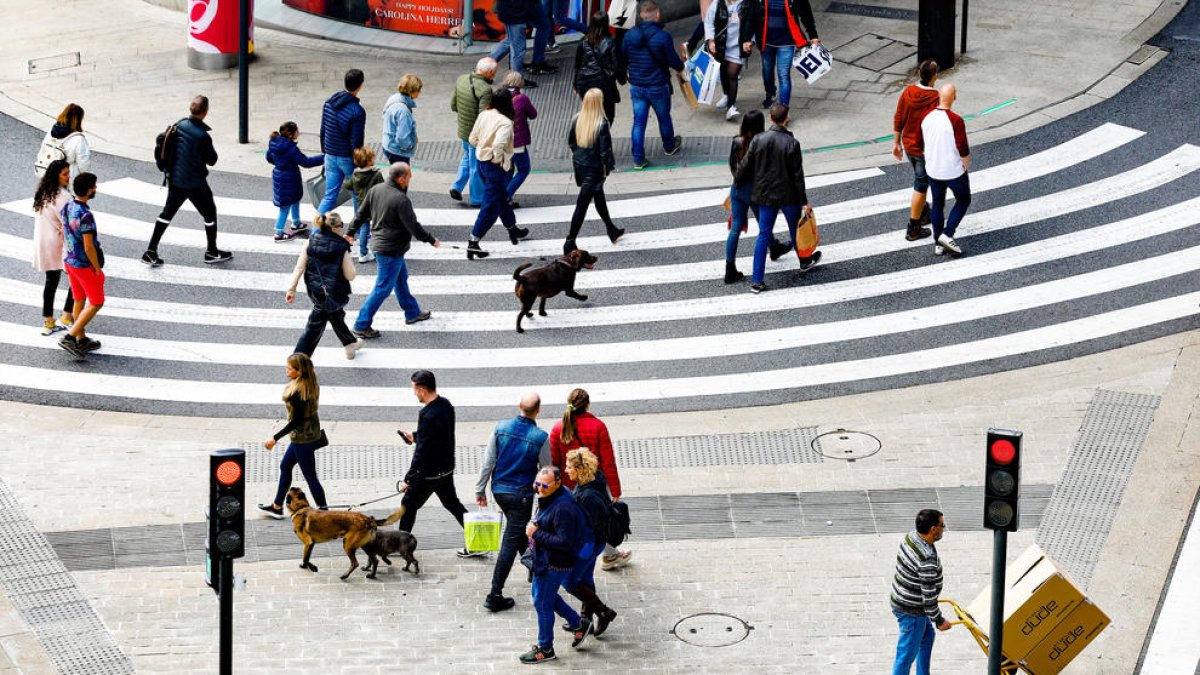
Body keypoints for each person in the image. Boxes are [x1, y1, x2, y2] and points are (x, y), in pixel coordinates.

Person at [344, 163, 440, 339]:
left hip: (383, 245)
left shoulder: (376, 190)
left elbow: (361, 214)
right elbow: (413, 226)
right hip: (391, 249)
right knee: (382, 288)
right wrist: (431, 239)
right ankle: (361, 324)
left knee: (401, 278)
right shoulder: (401, 199)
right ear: (401, 178)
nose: (410, 179)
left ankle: (412, 312)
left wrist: (350, 231)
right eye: (409, 176)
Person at [475, 392, 552, 612]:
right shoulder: (540, 437)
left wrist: (480, 489)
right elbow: (546, 470)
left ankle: (534, 567)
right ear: (538, 410)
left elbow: (488, 461)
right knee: (510, 541)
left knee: (517, 532)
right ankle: (494, 594)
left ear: (519, 406)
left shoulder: (500, 428)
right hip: (521, 496)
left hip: (499, 490)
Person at [735, 103, 822, 294]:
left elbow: (744, 166)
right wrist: (804, 201)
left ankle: (757, 281)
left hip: (764, 194)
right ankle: (805, 261)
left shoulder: (758, 140)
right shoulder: (792, 143)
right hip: (788, 195)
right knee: (795, 229)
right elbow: (798, 176)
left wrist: (737, 184)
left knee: (764, 234)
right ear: (786, 118)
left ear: (770, 118)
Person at [396, 370, 482, 558]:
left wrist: (409, 478)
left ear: (421, 389)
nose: (413, 393)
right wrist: (416, 436)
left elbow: (423, 452)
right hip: (446, 468)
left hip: (429, 473)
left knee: (408, 505)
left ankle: (401, 544)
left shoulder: (427, 414)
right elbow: (438, 436)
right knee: (453, 504)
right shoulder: (446, 405)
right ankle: (478, 540)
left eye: (414, 389)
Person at [141, 95, 231, 267]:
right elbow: (212, 160)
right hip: (195, 183)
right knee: (209, 214)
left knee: (166, 214)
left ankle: (151, 251)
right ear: (205, 112)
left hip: (175, 180)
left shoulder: (178, 125)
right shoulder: (202, 136)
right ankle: (211, 252)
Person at [550, 388, 632, 571]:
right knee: (600, 519)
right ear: (587, 405)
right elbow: (608, 461)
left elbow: (554, 461)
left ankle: (571, 555)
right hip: (594, 484)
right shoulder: (598, 426)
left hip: (568, 484)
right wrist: (615, 490)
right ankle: (609, 555)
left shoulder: (558, 428)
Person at [520, 465, 584, 665]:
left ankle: (545, 648)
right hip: (544, 560)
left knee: (542, 603)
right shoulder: (551, 497)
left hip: (554, 564)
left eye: (544, 485)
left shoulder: (563, 507)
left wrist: (535, 533)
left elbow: (565, 542)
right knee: (543, 597)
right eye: (537, 483)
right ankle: (578, 623)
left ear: (557, 483)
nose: (539, 488)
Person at [258, 353, 328, 518]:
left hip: (303, 439)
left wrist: (274, 438)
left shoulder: (298, 393)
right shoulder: (309, 381)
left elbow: (296, 421)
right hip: (309, 434)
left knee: (311, 477)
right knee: (285, 466)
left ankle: (325, 512)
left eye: (290, 368)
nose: (286, 370)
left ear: (299, 371)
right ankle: (276, 506)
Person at [286, 213, 365, 360]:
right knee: (314, 328)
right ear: (334, 228)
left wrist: (291, 289)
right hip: (334, 292)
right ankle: (298, 361)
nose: (342, 227)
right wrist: (347, 250)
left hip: (315, 289)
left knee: (335, 315)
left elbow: (299, 266)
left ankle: (350, 344)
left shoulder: (311, 240)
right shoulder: (341, 246)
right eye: (341, 225)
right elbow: (350, 275)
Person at [724, 109, 789, 283]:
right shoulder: (764, 142)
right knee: (763, 224)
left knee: (736, 228)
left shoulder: (736, 141)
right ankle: (773, 247)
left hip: (737, 189)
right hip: (755, 191)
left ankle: (730, 268)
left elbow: (732, 166)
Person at [562, 448, 619, 645]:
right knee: (585, 579)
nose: (566, 470)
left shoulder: (586, 497)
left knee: (569, 581)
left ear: (580, 469)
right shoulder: (595, 479)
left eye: (569, 467)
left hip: (588, 545)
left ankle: (604, 612)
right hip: (596, 541)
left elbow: (586, 527)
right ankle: (586, 619)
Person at [466, 90, 529, 259]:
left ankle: (512, 228)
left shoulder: (484, 114)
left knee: (500, 198)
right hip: (495, 166)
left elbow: (472, 139)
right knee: (490, 206)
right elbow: (499, 145)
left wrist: (483, 149)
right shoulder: (506, 122)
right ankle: (473, 241)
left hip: (481, 162)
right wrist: (497, 158)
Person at [621, 0, 685, 170]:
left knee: (638, 122)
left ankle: (638, 159)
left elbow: (623, 58)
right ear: (657, 15)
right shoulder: (663, 36)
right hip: (657, 85)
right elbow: (673, 60)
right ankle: (669, 146)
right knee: (664, 117)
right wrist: (681, 67)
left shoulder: (629, 35)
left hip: (637, 85)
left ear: (641, 16)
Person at [890, 509, 952, 675]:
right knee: (905, 657)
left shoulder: (911, 537)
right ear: (933, 529)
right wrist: (939, 621)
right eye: (942, 525)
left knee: (926, 639)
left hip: (903, 600)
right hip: (912, 611)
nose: (943, 529)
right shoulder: (926, 560)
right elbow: (929, 599)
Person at [564, 89, 623, 254]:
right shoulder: (602, 123)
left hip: (580, 165)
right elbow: (605, 152)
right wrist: (607, 169)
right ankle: (569, 241)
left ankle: (611, 229)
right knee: (581, 206)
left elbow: (571, 143)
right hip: (595, 170)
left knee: (599, 198)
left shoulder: (577, 118)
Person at [916, 83, 971, 257]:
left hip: (933, 170)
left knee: (938, 204)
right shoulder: (955, 120)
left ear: (939, 96)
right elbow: (962, 146)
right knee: (963, 200)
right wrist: (965, 163)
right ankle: (947, 234)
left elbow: (919, 142)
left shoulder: (926, 117)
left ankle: (937, 242)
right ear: (954, 97)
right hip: (953, 171)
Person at [56, 173, 105, 360]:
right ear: (89, 189)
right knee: (96, 302)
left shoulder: (68, 206)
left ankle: (81, 338)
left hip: (69, 260)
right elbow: (88, 245)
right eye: (94, 186)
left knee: (79, 299)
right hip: (84, 265)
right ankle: (70, 337)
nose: (96, 188)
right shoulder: (85, 215)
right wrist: (97, 268)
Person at [892, 59, 940, 242]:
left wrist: (896, 142)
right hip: (923, 150)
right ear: (934, 76)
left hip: (909, 145)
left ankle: (924, 213)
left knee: (921, 180)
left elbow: (899, 117)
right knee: (921, 186)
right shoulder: (935, 98)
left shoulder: (908, 92)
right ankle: (913, 227)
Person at [744, 0, 819, 108]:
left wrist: (813, 35)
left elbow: (806, 14)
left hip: (787, 41)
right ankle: (770, 94)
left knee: (783, 75)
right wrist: (747, 38)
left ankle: (783, 108)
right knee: (767, 72)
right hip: (766, 40)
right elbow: (752, 16)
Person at [31, 160, 75, 336]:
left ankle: (48, 321)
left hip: (43, 241)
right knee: (76, 280)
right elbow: (69, 225)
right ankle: (66, 316)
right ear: (56, 176)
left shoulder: (43, 192)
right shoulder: (64, 197)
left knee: (51, 282)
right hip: (58, 243)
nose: (68, 177)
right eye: (65, 174)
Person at [318, 69, 367, 215]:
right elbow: (356, 141)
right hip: (347, 158)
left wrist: (325, 151)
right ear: (361, 85)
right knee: (358, 196)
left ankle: (316, 230)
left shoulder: (329, 103)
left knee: (329, 196)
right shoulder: (357, 111)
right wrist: (359, 163)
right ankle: (359, 232)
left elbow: (323, 130)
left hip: (330, 155)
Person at [450, 58, 497, 206]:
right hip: (475, 136)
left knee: (467, 157)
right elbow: (484, 116)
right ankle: (477, 198)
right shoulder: (485, 89)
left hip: (463, 130)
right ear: (489, 72)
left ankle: (456, 186)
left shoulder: (462, 79)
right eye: (494, 73)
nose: (494, 76)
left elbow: (453, 105)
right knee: (475, 166)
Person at [267, 121, 323, 243]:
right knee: (285, 206)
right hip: (289, 177)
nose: (299, 132)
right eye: (297, 131)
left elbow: (269, 157)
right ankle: (278, 233)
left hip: (279, 175)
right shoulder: (290, 148)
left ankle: (296, 223)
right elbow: (306, 162)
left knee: (294, 199)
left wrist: (280, 164)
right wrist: (324, 157)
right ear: (291, 134)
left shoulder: (274, 142)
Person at [705, 0, 753, 121]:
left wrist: (751, 41)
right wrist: (711, 40)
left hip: (738, 47)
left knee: (732, 75)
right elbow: (708, 22)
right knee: (724, 71)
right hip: (722, 45)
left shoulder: (747, 3)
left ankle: (731, 107)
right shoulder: (717, 3)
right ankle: (726, 95)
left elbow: (753, 23)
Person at [573, 12, 622, 123]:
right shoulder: (610, 42)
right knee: (608, 116)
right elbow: (615, 67)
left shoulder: (583, 41)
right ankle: (602, 136)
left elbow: (578, 65)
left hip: (584, 83)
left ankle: (592, 135)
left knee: (591, 115)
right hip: (603, 83)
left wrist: (576, 85)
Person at [344, 147, 384, 262]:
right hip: (375, 206)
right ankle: (376, 250)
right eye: (373, 157)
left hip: (362, 206)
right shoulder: (376, 175)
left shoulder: (355, 175)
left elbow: (347, 185)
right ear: (369, 161)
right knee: (377, 228)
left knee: (364, 228)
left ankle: (363, 253)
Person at [504, 72, 538, 209]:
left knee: (508, 169)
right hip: (517, 140)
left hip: (503, 140)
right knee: (524, 169)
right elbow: (533, 114)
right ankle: (506, 195)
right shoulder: (521, 98)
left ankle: (508, 199)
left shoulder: (499, 96)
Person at [489, 0, 542, 87]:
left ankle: (483, 69)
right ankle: (516, 81)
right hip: (515, 14)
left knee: (509, 41)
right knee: (518, 49)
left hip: (510, 12)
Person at [35, 103, 90, 179]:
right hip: (67, 177)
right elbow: (83, 164)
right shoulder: (78, 139)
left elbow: (42, 152)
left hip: (48, 174)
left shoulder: (51, 132)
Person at [381, 74, 422, 165]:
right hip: (397, 152)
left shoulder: (393, 98)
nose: (419, 93)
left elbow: (384, 115)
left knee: (396, 175)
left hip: (387, 144)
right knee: (401, 177)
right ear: (412, 92)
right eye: (418, 90)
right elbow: (402, 138)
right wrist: (411, 144)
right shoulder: (404, 112)